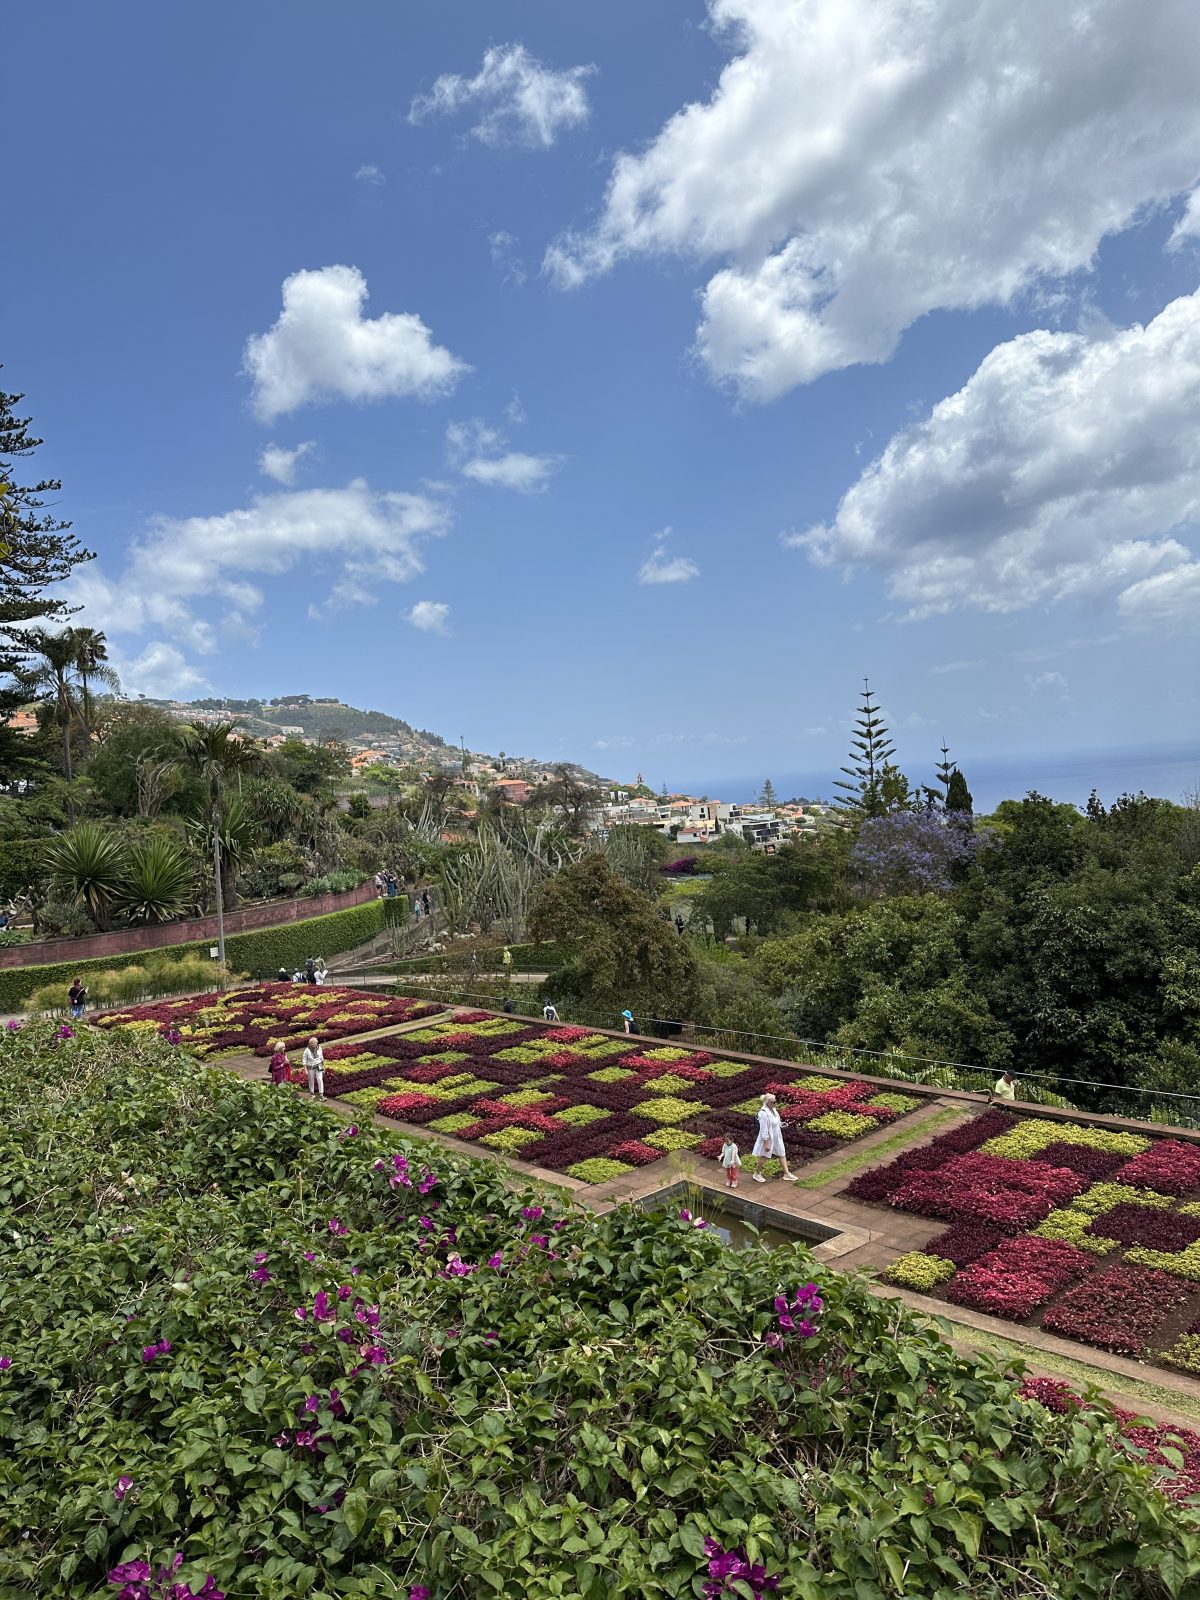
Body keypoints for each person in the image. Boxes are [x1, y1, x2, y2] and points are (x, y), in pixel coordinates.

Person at [752, 1093, 797, 1183]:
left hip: (777, 1136)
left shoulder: (774, 1110)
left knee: (781, 1153)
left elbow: (776, 1121)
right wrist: (766, 1143)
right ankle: (757, 1173)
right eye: (773, 1102)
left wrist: (782, 1124)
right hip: (768, 1138)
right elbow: (763, 1129)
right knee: (764, 1156)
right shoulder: (763, 1113)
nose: (775, 1103)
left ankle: (787, 1173)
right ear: (768, 1103)